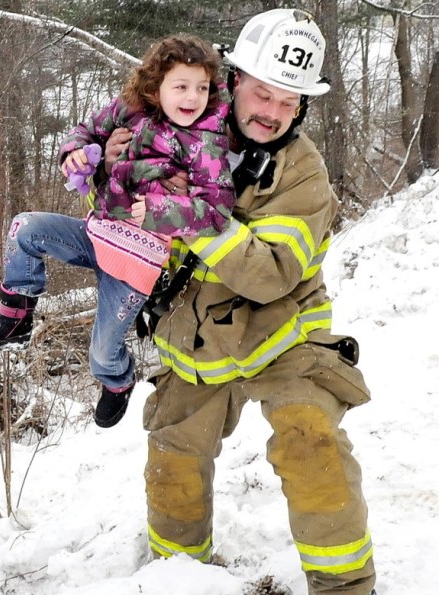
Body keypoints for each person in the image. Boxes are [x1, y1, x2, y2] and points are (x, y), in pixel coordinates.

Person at [109, 10, 375, 595]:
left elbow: (271, 273)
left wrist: (193, 215)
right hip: (194, 337)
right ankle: (178, 576)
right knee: (174, 457)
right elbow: (119, 196)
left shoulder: (304, 172)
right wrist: (107, 160)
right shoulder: (182, 125)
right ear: (232, 79)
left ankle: (345, 587)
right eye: (262, 93)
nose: (271, 111)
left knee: (312, 441)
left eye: (289, 101)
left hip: (282, 336)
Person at [0, 35, 235, 429]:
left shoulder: (205, 143)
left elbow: (217, 211)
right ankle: (16, 318)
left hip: (135, 266)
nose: (192, 97)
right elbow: (85, 131)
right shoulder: (129, 110)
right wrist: (75, 152)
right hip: (96, 235)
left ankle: (118, 380)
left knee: (101, 355)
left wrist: (160, 210)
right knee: (26, 228)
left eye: (202, 87)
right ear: (155, 87)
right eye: (181, 86)